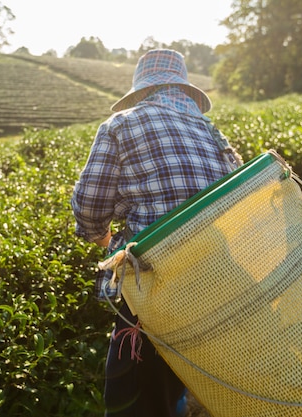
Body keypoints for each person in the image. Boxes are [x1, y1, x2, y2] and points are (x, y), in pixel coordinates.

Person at [71, 49, 242, 417]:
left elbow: (88, 206)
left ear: (142, 92)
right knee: (198, 379)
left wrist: (101, 236)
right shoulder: (213, 133)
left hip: (156, 288)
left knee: (138, 394)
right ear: (184, 91)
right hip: (220, 281)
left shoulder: (120, 124)